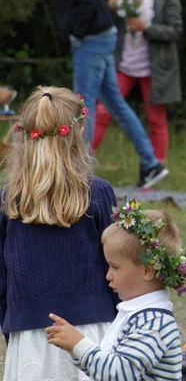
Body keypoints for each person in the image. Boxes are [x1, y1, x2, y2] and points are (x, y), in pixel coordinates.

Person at [0, 87, 118, 380]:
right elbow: (117, 265)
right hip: (91, 332)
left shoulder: (9, 199)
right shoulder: (98, 193)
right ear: (79, 132)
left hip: (30, 338)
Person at [46, 203, 186, 379]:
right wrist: (72, 347)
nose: (108, 276)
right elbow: (105, 370)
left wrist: (79, 344)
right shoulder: (139, 314)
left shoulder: (154, 323)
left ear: (147, 271)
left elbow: (119, 373)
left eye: (115, 267)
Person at [51, 0, 169, 188]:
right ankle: (151, 163)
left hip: (91, 39)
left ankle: (78, 171)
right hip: (102, 35)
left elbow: (88, 2)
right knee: (115, 103)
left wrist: (76, 32)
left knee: (82, 105)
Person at [92, 0, 183, 165]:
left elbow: (175, 30)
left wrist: (146, 28)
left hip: (155, 68)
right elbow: (102, 22)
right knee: (103, 112)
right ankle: (82, 160)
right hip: (123, 64)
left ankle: (156, 168)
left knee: (156, 118)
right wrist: (108, 5)